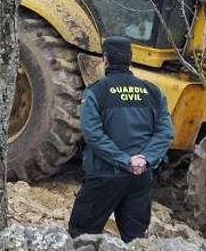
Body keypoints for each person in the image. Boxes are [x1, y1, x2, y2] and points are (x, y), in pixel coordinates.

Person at [68, 36, 174, 242]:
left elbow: (93, 135)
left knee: (81, 236)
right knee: (135, 240)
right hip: (140, 178)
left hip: (104, 176)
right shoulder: (153, 92)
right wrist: (144, 159)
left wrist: (125, 160)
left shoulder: (97, 92)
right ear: (130, 59)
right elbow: (165, 133)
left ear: (105, 59)